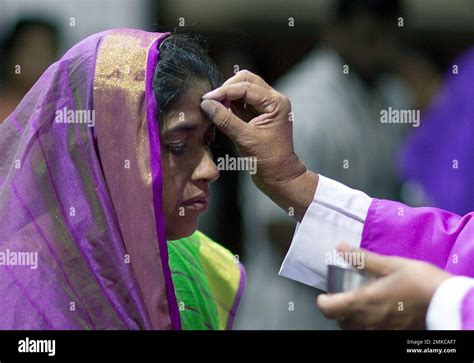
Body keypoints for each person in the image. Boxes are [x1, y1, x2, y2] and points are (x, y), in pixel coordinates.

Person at [0, 29, 245, 330]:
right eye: (178, 147)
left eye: (207, 142)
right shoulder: (23, 278)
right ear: (101, 148)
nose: (210, 169)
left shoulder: (194, 261)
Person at [200, 69, 474, 330]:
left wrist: (440, 301)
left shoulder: (393, 95)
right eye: (178, 147)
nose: (211, 170)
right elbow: (455, 246)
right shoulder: (309, 100)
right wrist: (293, 181)